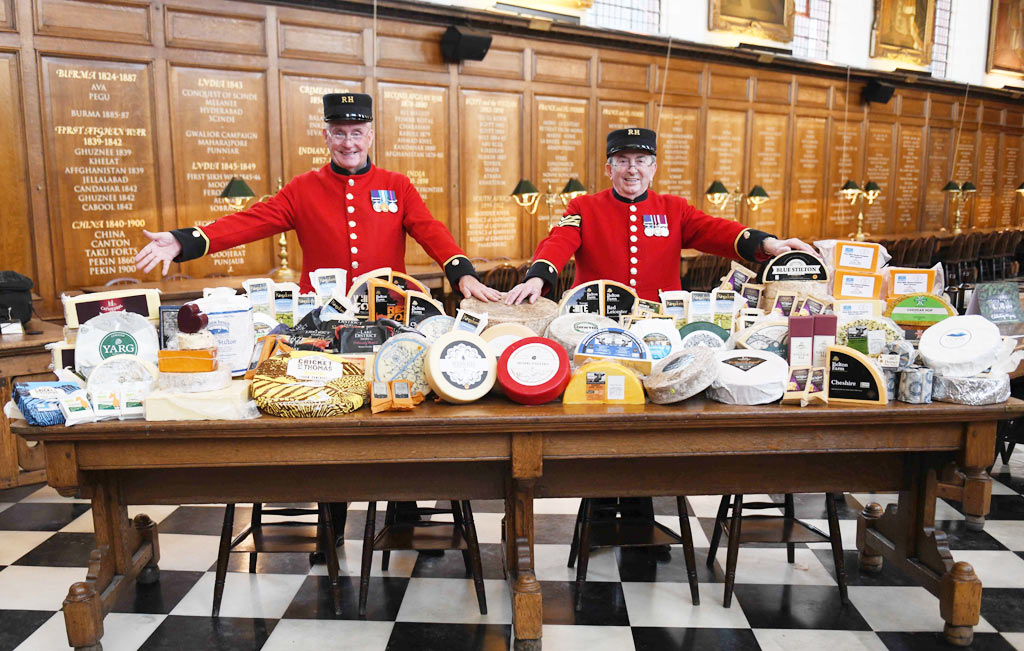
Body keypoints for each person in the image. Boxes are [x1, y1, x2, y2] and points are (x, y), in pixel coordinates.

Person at [136, 92, 501, 302]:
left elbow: (429, 229)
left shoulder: (397, 184)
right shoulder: (303, 188)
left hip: (387, 304)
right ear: (326, 137)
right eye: (339, 133)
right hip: (322, 308)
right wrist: (184, 240)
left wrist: (461, 273)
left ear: (370, 137)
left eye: (356, 133)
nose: (348, 143)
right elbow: (249, 223)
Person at [505, 127, 815, 305]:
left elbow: (715, 230)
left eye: (641, 160)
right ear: (609, 169)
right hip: (598, 313)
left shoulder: (674, 208)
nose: (632, 169)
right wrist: (537, 277)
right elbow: (558, 241)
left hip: (661, 318)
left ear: (653, 169)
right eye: (622, 161)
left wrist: (768, 243)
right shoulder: (583, 207)